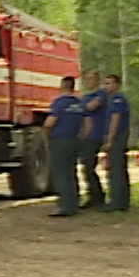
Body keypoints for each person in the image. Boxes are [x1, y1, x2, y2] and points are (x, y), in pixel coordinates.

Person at [44, 76, 87, 218]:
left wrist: (47, 133)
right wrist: (81, 137)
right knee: (71, 172)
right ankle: (74, 203)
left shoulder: (59, 103)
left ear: (62, 86)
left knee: (60, 174)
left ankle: (64, 206)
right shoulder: (79, 104)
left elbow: (50, 122)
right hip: (74, 141)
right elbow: (88, 124)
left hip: (60, 141)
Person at [101, 73, 133, 212]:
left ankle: (117, 202)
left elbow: (115, 119)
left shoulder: (117, 100)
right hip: (118, 136)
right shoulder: (113, 100)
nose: (106, 86)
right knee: (119, 168)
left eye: (109, 83)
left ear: (116, 85)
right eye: (106, 83)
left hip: (117, 136)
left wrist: (110, 139)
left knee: (116, 170)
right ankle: (122, 201)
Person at [77, 71, 108, 210]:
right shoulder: (86, 96)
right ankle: (93, 194)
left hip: (95, 134)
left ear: (97, 80)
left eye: (91, 79)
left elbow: (91, 107)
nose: (88, 81)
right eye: (87, 79)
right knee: (86, 166)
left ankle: (97, 196)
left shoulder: (100, 94)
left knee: (88, 166)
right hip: (85, 135)